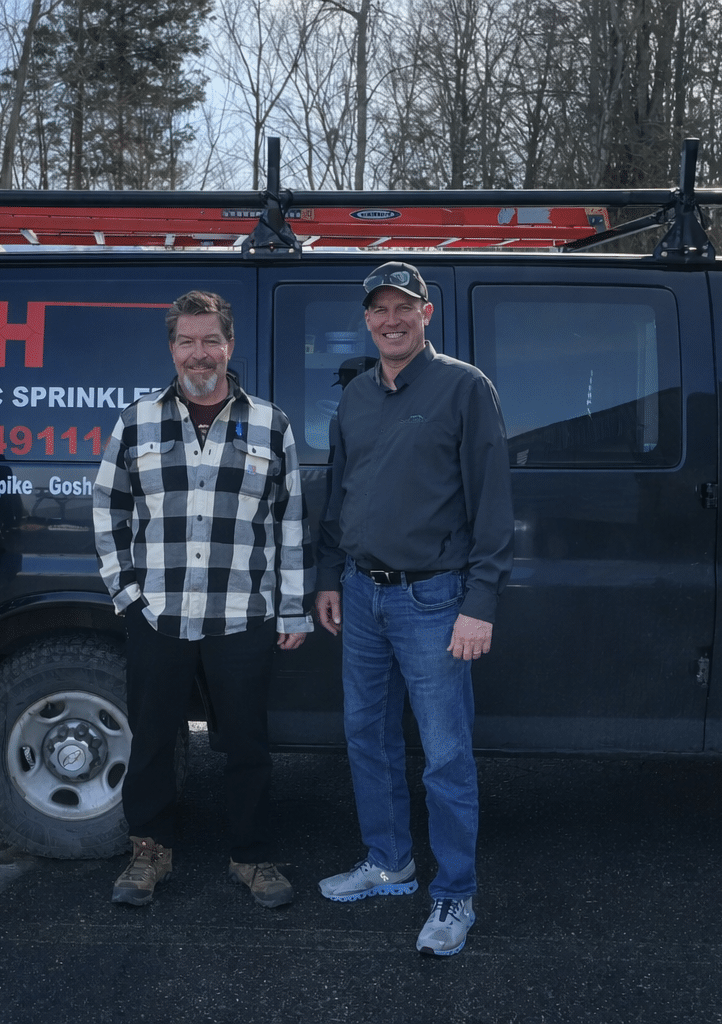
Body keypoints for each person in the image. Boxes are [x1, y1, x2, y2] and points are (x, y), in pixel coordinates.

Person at [314, 261, 513, 956]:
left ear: (426, 314)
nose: (390, 319)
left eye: (404, 307)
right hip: (361, 594)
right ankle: (388, 861)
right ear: (366, 320)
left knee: (446, 756)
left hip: (435, 599)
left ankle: (454, 894)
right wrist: (329, 575)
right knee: (366, 736)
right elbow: (338, 495)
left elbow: (493, 504)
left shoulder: (464, 388)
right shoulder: (357, 398)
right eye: (379, 309)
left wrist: (479, 602)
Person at [92, 290, 312, 909]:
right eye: (187, 341)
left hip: (242, 615)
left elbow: (290, 522)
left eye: (210, 339)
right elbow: (107, 510)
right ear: (171, 348)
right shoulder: (136, 422)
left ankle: (253, 856)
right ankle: (149, 856)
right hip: (157, 613)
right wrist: (127, 595)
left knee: (247, 743)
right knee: (154, 739)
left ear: (230, 344)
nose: (200, 353)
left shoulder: (271, 424)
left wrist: (290, 606)